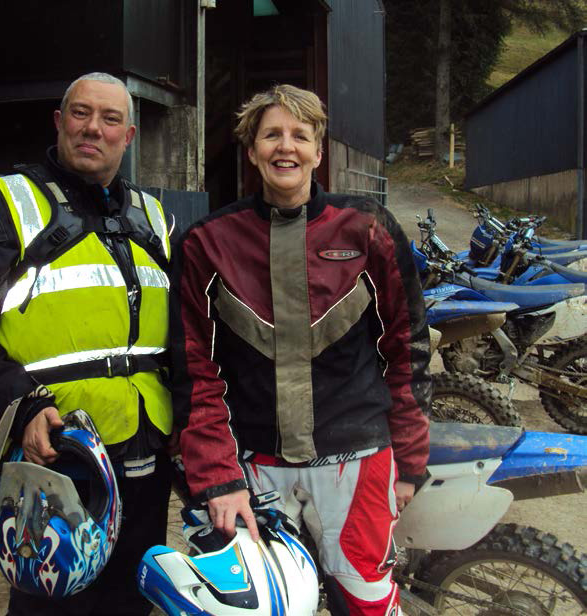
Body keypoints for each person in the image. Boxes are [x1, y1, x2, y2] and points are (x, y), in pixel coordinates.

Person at [170, 84, 431, 615]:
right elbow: (194, 370)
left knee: (366, 602)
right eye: (271, 135)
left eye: (300, 135)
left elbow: (407, 349)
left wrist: (408, 461)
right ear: (252, 151)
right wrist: (217, 476)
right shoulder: (207, 242)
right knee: (263, 607)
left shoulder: (367, 228)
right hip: (254, 467)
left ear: (318, 151)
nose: (285, 146)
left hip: (357, 460)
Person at [0, 72, 173, 615]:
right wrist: (23, 404)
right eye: (80, 114)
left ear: (128, 136)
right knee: (54, 603)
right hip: (61, 455)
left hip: (147, 454)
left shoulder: (151, 216)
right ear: (59, 123)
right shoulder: (8, 204)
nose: (93, 129)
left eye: (110, 119)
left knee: (134, 598)